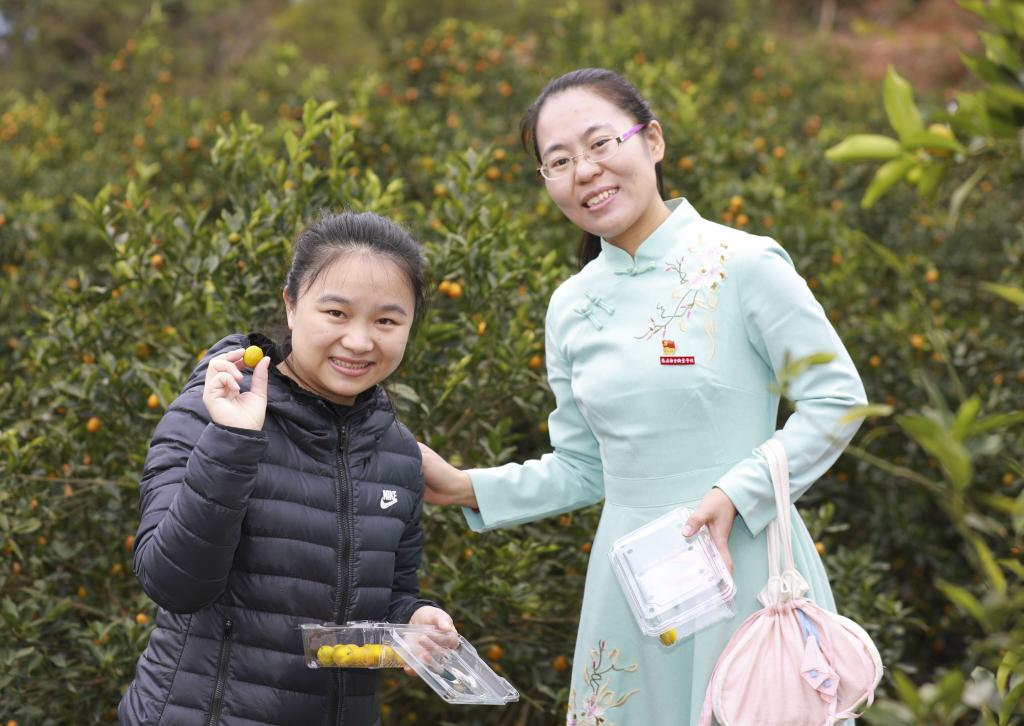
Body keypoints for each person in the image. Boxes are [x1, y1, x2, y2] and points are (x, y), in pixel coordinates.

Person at [418, 68, 868, 724]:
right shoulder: (571, 306)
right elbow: (585, 467)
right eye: (559, 161)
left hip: (746, 568)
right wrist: (464, 488)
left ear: (652, 140)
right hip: (633, 592)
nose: (585, 171)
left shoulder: (743, 263)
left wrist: (735, 493)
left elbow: (838, 398)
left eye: (600, 144)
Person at [118, 211, 454, 726]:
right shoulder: (212, 411)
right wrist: (232, 440)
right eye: (336, 313)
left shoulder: (398, 453)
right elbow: (172, 584)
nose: (360, 341)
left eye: (386, 321)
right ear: (291, 305)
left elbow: (387, 598)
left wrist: (414, 619)